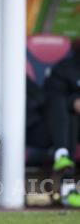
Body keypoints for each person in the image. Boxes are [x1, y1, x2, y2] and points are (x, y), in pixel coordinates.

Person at [43, 40, 80, 207]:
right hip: (62, 125)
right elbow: (52, 97)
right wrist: (74, 102)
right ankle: (68, 186)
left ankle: (68, 185)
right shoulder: (65, 68)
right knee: (71, 119)